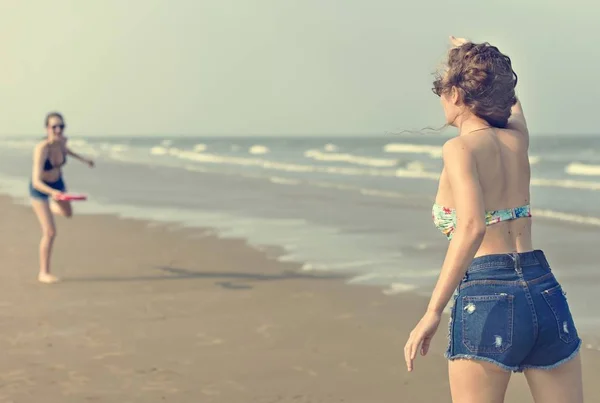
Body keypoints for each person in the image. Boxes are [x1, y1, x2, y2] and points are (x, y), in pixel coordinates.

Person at [403, 37, 583, 403]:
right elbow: (513, 103)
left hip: (489, 294)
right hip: (544, 289)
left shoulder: (459, 149)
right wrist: (481, 60)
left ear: (455, 94)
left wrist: (432, 311)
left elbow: (471, 227)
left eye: (442, 91)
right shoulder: (517, 139)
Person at [30, 112, 95, 284]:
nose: (58, 130)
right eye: (54, 127)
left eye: (61, 126)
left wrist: (84, 160)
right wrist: (52, 194)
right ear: (47, 129)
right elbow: (36, 181)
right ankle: (43, 273)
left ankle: (49, 208)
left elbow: (67, 151)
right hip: (41, 189)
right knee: (50, 232)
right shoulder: (42, 148)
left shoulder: (63, 142)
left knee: (67, 213)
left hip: (58, 183)